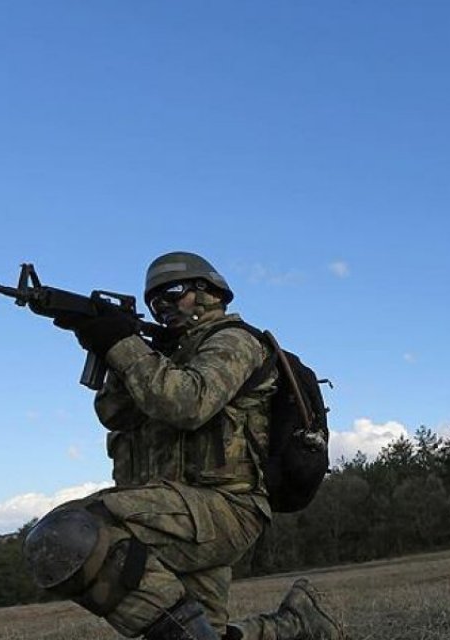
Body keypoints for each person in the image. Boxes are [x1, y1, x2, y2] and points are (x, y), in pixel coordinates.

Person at [21, 251, 343, 640]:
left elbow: (187, 403)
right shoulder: (163, 357)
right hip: (179, 509)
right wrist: (112, 344)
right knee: (207, 632)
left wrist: (123, 344)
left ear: (210, 292)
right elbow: (114, 414)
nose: (164, 306)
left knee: (72, 533)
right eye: (155, 301)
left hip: (224, 508)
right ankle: (298, 626)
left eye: (174, 292)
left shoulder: (234, 341)